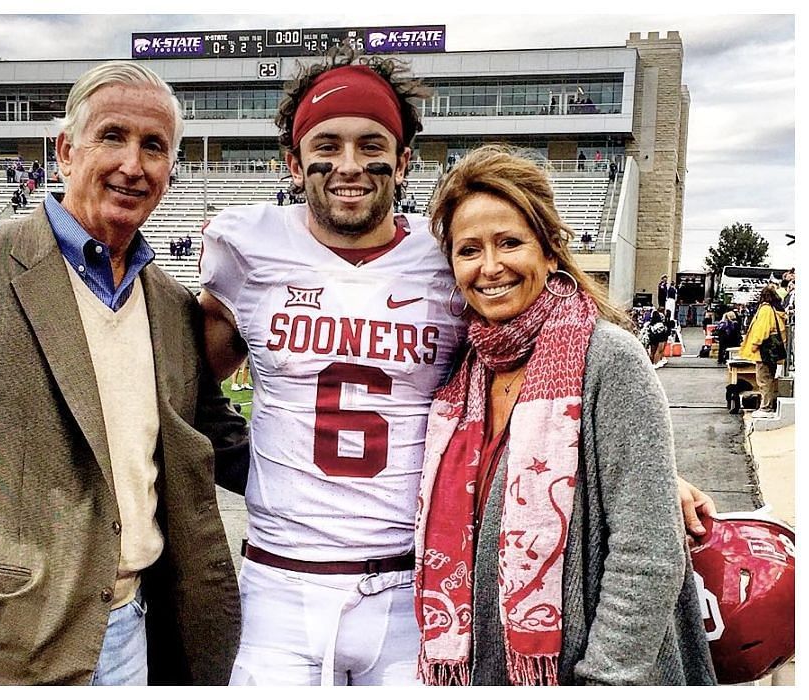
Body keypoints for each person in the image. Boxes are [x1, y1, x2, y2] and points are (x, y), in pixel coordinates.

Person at [199, 48, 714, 686]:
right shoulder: (246, 246)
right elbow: (186, 389)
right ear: (293, 160)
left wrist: (652, 481)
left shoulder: (442, 259)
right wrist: (250, 464)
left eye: (372, 143)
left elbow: (543, 379)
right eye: (326, 144)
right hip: (280, 580)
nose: (349, 165)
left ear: (405, 158)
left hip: (414, 588)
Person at [0, 60, 246, 686]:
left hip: (133, 636)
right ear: (65, 151)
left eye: (155, 147)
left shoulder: (171, 303)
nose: (133, 165)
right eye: (112, 136)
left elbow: (210, 437)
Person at [415, 145, 715, 685]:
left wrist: (602, 679)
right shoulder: (461, 376)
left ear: (550, 251)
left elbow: (647, 554)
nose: (490, 267)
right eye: (469, 250)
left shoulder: (609, 359)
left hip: (594, 675)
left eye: (510, 243)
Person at [738, 285, 787, 418]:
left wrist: (754, 345)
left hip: (763, 351)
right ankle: (767, 406)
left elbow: (761, 331)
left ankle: (766, 408)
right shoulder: (775, 310)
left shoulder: (765, 310)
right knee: (769, 377)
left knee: (763, 379)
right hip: (772, 351)